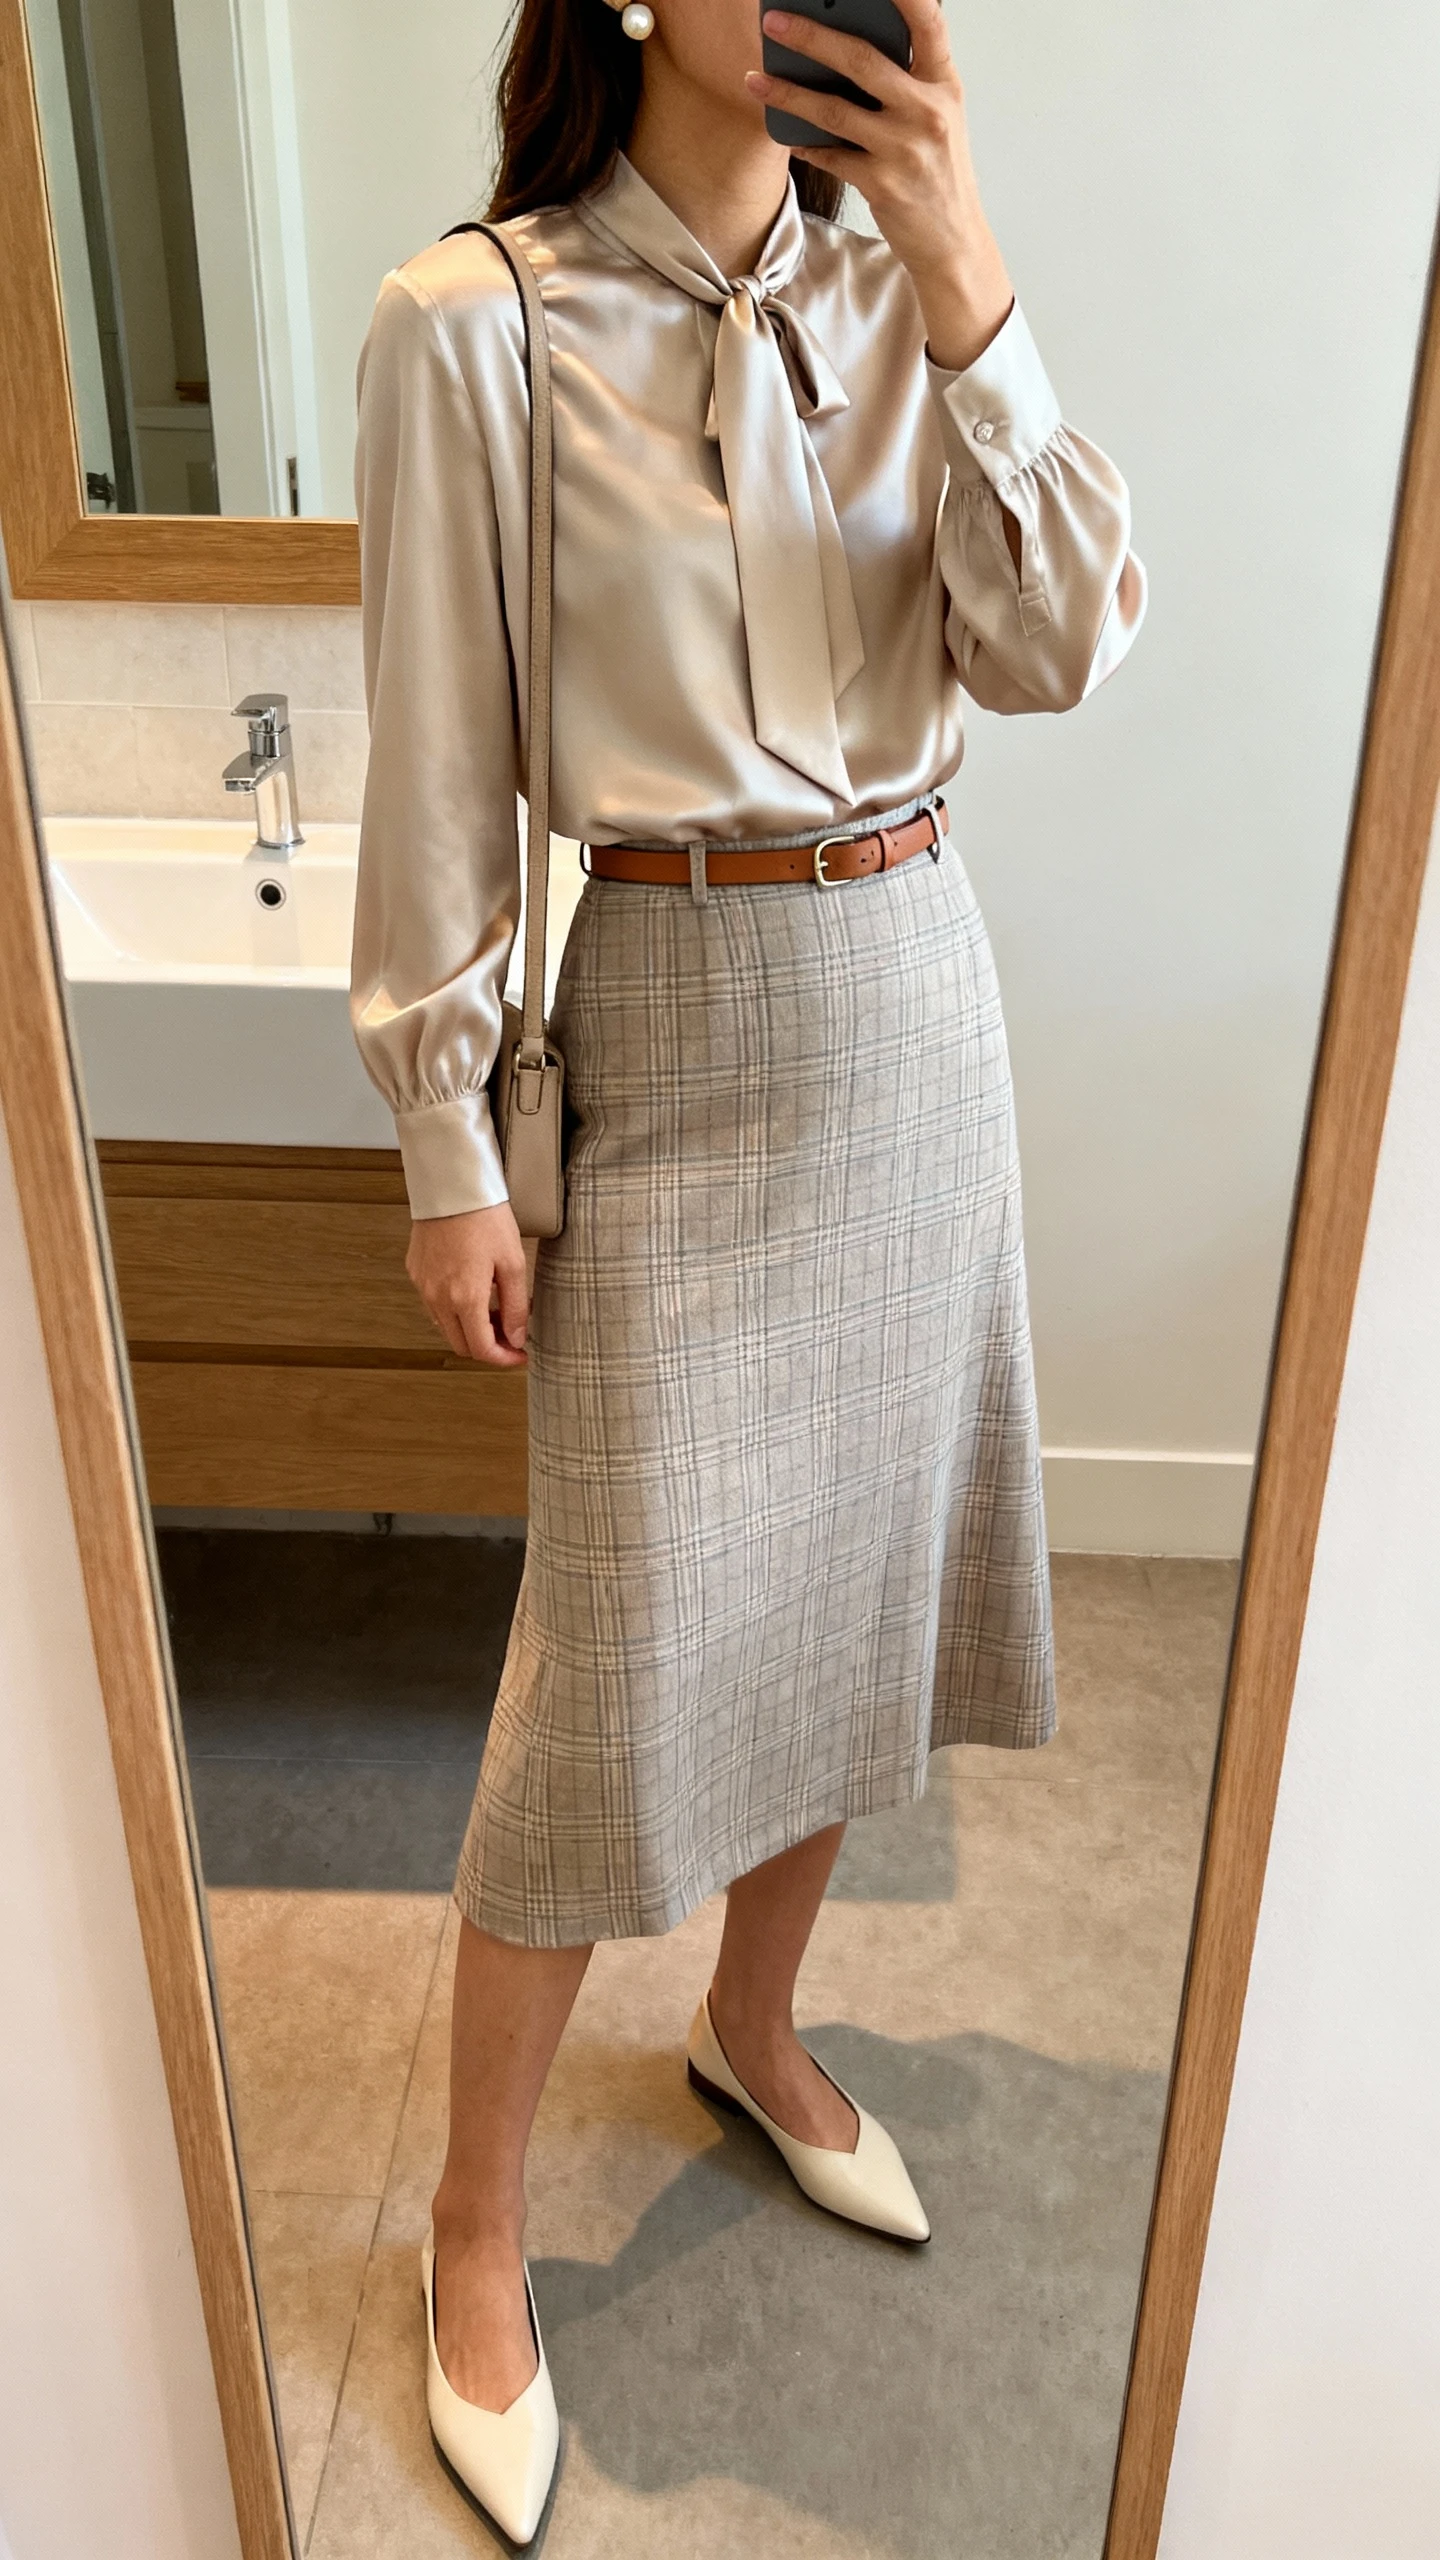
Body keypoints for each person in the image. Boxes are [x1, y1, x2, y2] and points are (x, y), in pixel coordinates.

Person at [350, 0, 1145, 2537]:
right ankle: (475, 2224)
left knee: (860, 1595)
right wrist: (448, 1142)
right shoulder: (473, 324)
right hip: (675, 1017)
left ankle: (760, 2023)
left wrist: (973, 286)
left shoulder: (914, 289)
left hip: (918, 990)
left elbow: (1067, 645)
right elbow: (440, 753)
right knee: (608, 1675)